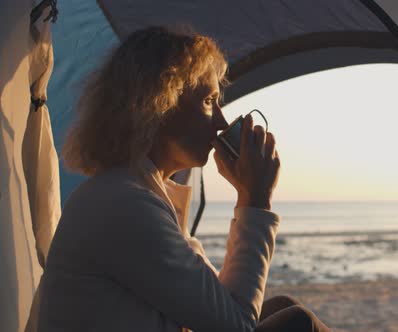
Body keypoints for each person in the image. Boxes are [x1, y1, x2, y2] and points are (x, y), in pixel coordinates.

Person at [37, 26, 331, 332]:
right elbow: (236, 325)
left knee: (283, 307)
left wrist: (250, 195)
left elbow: (221, 306)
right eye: (208, 101)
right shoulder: (123, 204)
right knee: (298, 323)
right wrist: (255, 199)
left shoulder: (135, 192)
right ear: (157, 104)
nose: (220, 121)